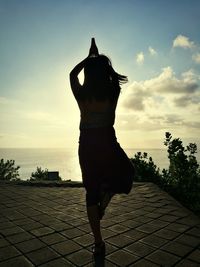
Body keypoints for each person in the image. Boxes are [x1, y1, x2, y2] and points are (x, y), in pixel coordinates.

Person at [69, 38, 135, 258]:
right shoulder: (112, 92)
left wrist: (89, 58)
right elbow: (111, 78)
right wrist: (98, 60)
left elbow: (72, 75)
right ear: (104, 73)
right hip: (107, 141)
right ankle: (105, 198)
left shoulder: (82, 96)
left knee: (90, 193)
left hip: (87, 144)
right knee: (127, 174)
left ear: (88, 73)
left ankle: (98, 243)